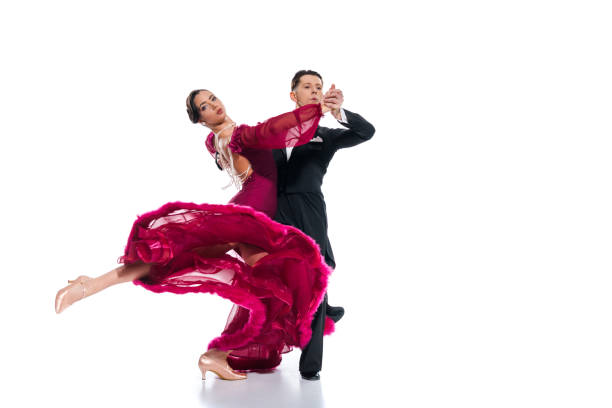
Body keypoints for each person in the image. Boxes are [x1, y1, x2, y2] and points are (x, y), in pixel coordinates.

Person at [55, 89, 336, 381]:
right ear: (200, 120)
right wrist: (317, 108)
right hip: (247, 216)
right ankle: (87, 287)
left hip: (251, 220)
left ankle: (216, 355)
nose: (214, 105)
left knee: (272, 286)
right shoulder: (239, 135)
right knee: (180, 259)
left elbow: (275, 137)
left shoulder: (215, 141)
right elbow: (276, 128)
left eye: (212, 98)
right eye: (204, 107)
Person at [273, 70, 375, 380]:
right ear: (294, 95)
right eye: (307, 86)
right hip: (273, 211)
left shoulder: (326, 135)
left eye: (319, 86)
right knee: (279, 278)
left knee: (315, 275)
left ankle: (311, 364)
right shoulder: (273, 132)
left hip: (308, 209)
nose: (315, 90)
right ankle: (324, 309)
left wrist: (338, 112)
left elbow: (365, 132)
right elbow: (243, 152)